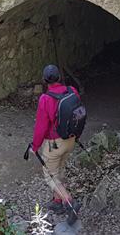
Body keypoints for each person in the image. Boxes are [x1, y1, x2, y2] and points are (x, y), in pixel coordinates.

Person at [31, 64, 80, 212]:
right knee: (60, 169)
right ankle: (57, 201)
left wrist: (35, 146)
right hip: (71, 139)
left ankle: (69, 202)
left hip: (54, 143)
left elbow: (41, 127)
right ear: (59, 77)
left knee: (51, 176)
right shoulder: (72, 91)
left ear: (44, 81)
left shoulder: (45, 99)